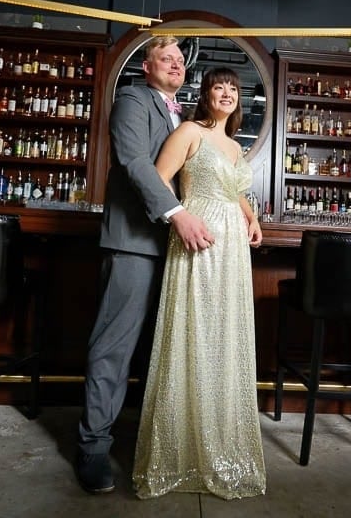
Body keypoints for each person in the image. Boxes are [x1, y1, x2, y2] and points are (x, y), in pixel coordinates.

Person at [75, 36, 214, 494]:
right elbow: (134, 162)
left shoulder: (186, 114)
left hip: (175, 248)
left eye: (180, 59)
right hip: (135, 240)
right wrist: (178, 215)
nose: (176, 64)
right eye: (166, 57)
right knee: (114, 348)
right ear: (146, 64)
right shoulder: (133, 98)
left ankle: (151, 444)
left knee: (166, 351)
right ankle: (93, 448)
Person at [132, 67, 266, 500]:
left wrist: (252, 216)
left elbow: (233, 189)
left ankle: (219, 443)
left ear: (238, 99)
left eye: (232, 88)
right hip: (199, 240)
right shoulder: (190, 131)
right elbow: (157, 176)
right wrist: (181, 220)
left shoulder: (234, 145)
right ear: (205, 95)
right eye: (217, 87)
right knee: (195, 335)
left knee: (225, 339)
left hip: (233, 252)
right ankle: (181, 450)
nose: (225, 93)